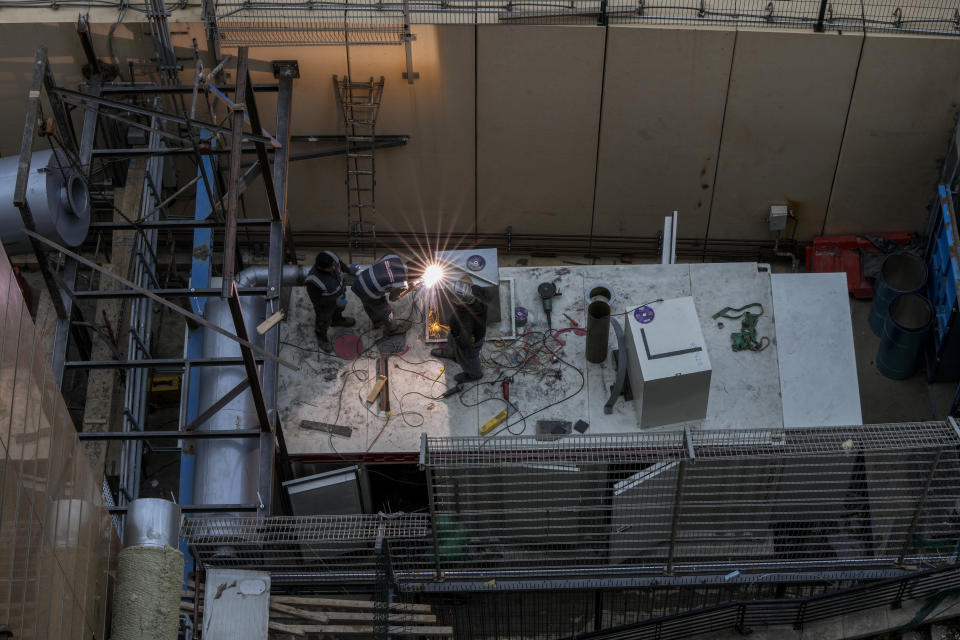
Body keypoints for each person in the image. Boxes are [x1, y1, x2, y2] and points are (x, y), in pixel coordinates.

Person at [430, 280, 487, 383]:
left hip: (469, 342)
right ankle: (451, 353)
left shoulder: (467, 321)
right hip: (458, 333)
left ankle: (474, 374)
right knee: (452, 341)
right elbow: (472, 284)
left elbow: (464, 343)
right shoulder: (476, 292)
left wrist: (460, 347)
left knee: (468, 359)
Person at [350, 253, 415, 336]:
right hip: (370, 292)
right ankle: (393, 329)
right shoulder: (401, 282)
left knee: (368, 304)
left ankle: (377, 322)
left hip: (359, 282)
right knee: (385, 310)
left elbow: (376, 264)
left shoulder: (393, 257)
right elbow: (393, 298)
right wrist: (409, 287)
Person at [305, 251, 355, 352]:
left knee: (339, 309)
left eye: (332, 265)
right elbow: (316, 300)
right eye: (329, 267)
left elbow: (339, 263)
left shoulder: (331, 256)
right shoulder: (313, 281)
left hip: (339, 295)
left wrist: (349, 270)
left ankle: (336, 320)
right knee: (324, 320)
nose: (333, 268)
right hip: (325, 305)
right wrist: (331, 303)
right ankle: (321, 335)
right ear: (320, 268)